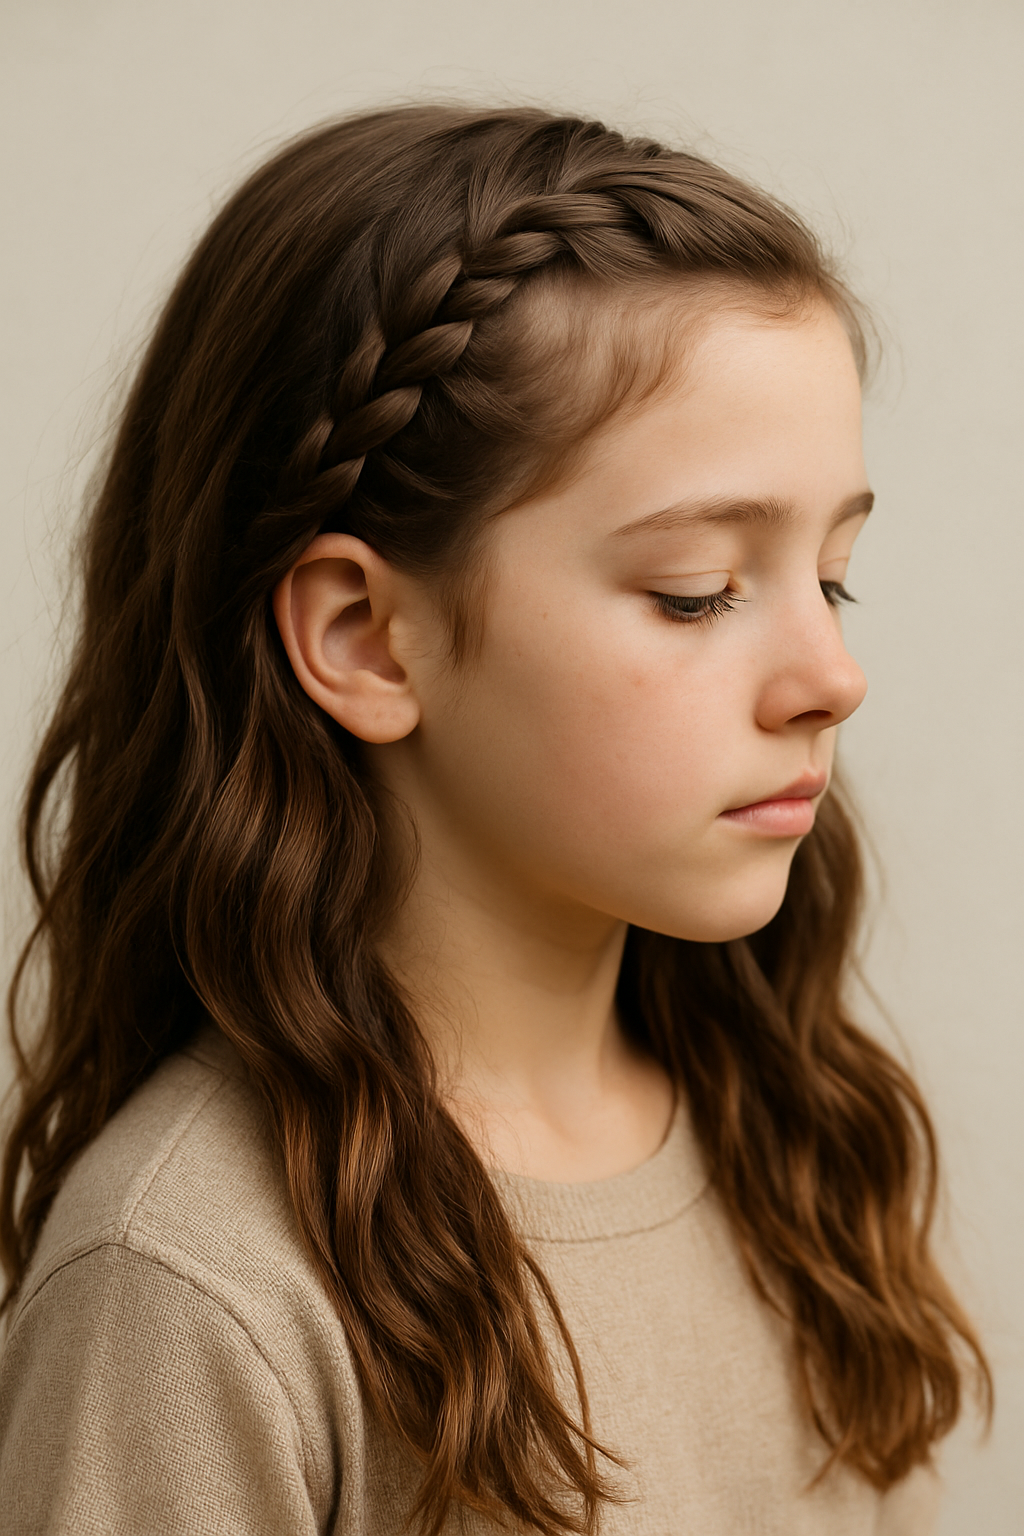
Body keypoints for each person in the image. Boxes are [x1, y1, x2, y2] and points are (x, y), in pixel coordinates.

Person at [0, 104, 990, 1535]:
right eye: (698, 590)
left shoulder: (787, 1144)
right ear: (366, 637)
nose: (832, 679)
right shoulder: (195, 1286)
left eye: (830, 577)